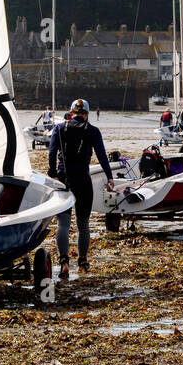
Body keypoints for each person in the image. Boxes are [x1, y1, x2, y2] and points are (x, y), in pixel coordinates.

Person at [48, 99, 115, 277]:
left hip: (63, 179)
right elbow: (101, 156)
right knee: (83, 223)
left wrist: (53, 173)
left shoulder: (59, 129)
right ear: (86, 114)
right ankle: (82, 263)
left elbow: (52, 152)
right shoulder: (93, 131)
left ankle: (64, 262)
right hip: (83, 180)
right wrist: (109, 177)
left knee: (63, 223)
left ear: (71, 113)